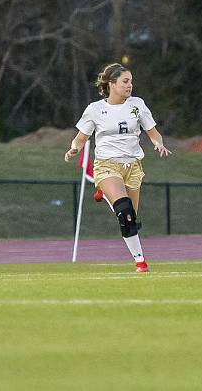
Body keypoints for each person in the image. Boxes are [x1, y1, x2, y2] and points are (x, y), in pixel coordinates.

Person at [65, 63, 171, 272]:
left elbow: (153, 132)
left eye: (131, 81)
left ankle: (103, 193)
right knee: (124, 213)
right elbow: (80, 138)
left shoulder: (137, 105)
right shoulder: (95, 109)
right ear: (111, 84)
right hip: (107, 166)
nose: (130, 85)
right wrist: (74, 148)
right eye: (125, 81)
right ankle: (140, 262)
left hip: (133, 167)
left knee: (131, 217)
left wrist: (158, 143)